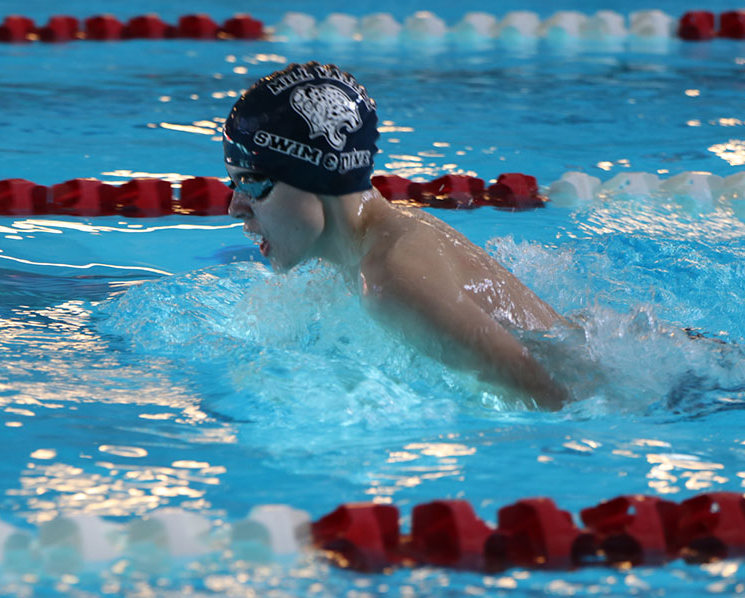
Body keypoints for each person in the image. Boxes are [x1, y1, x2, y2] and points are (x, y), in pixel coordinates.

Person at [224, 62, 568, 410]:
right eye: (231, 184)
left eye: (251, 182)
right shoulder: (387, 236)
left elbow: (555, 400)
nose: (235, 207)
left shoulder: (390, 279)